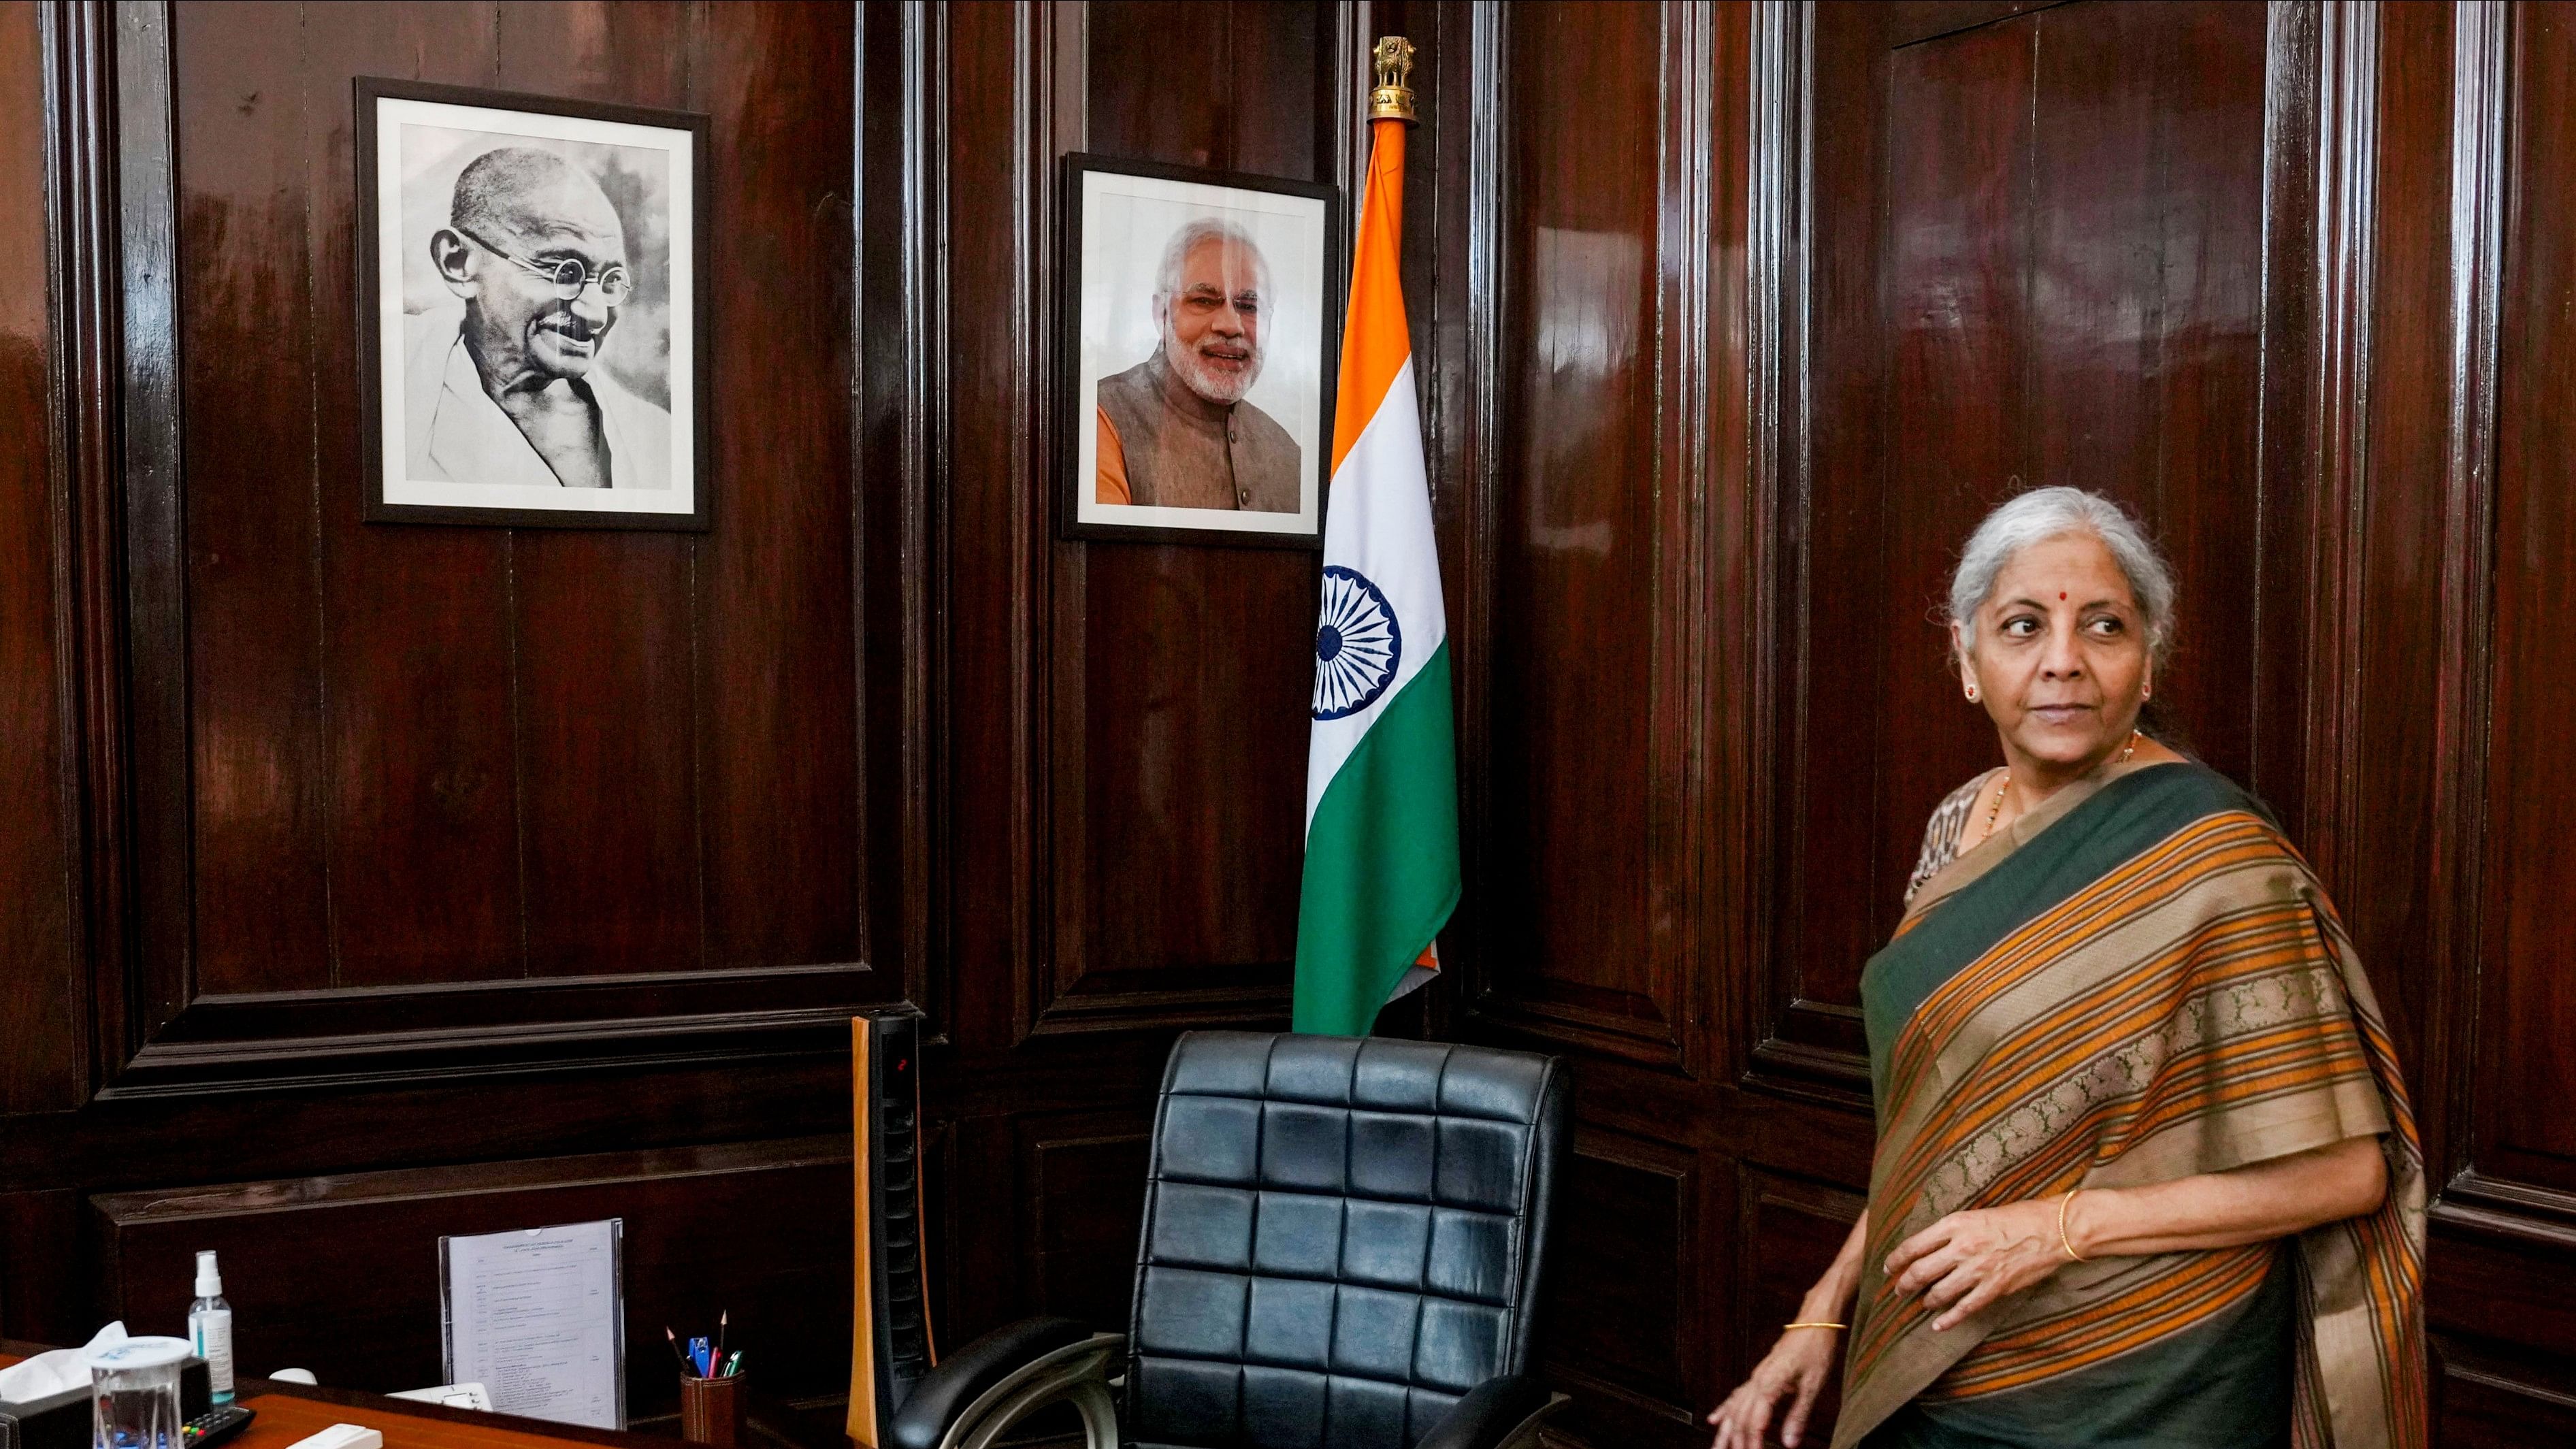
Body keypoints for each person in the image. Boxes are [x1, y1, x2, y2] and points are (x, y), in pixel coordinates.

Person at [1707, 487, 2425, 1449]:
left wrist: (2056, 1229)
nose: (2062, 661)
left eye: (2103, 626)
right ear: (1967, 660)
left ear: (2147, 658)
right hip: (1953, 1349)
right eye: (2022, 625)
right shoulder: (1958, 829)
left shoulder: (2216, 858)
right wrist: (1823, 1311)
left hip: (2159, 1376)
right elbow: (1940, 1130)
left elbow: (2347, 1174)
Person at [403, 146, 671, 491]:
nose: (595, 315)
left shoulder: (656, 440)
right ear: (459, 263)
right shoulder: (394, 381)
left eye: (611, 281)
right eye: (562, 270)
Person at [1094, 216, 1301, 511]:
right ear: (1161, 313)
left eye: (1248, 306)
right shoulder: (1103, 420)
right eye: (1204, 300)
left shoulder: (1288, 453)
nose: (1231, 325)